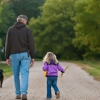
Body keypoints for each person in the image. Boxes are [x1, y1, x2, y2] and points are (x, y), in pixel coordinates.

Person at [5, 14, 35, 100]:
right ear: (24, 21)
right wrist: (32, 56)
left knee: (16, 75)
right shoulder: (27, 30)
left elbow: (8, 44)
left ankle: (18, 94)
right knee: (24, 74)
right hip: (25, 55)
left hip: (13, 55)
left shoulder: (10, 30)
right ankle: (24, 93)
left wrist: (7, 57)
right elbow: (31, 44)